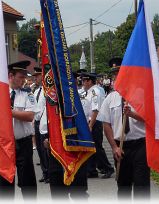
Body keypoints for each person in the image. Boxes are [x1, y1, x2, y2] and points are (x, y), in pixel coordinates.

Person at [97, 58, 150, 200]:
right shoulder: (110, 98)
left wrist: (132, 114)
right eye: (115, 75)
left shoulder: (140, 93)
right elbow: (106, 124)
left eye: (120, 74)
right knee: (123, 187)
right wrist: (114, 147)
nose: (117, 78)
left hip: (140, 145)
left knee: (141, 186)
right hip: (120, 147)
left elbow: (149, 118)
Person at [0, 60, 38, 200]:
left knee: (28, 183)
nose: (24, 80)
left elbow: (30, 116)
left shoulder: (27, 94)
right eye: (21, 76)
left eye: (25, 76)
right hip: (4, 144)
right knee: (5, 183)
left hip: (23, 143)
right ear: (11, 76)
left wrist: (9, 112)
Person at [45, 71, 89, 199]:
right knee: (58, 193)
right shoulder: (51, 103)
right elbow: (44, 125)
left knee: (79, 193)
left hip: (76, 150)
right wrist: (47, 138)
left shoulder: (82, 102)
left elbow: (85, 127)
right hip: (57, 151)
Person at [80, 72, 114, 179]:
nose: (82, 83)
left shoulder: (95, 92)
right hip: (90, 122)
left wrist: (90, 125)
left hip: (94, 123)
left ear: (89, 81)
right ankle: (91, 170)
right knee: (90, 147)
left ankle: (107, 168)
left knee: (97, 147)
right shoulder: (89, 92)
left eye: (84, 81)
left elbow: (95, 110)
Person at [32, 67, 49, 184]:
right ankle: (45, 172)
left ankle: (49, 172)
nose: (35, 79)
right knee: (39, 148)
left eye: (37, 76)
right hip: (36, 122)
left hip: (44, 123)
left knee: (45, 149)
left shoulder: (47, 91)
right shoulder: (36, 91)